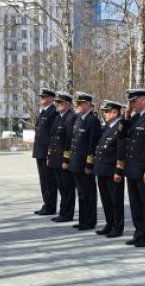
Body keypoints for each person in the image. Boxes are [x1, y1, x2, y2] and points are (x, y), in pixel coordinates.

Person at [115, 89, 145, 248]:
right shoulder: (133, 118)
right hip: (132, 169)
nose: (131, 105)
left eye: (133, 102)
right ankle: (138, 233)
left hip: (143, 171)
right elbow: (121, 135)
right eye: (130, 102)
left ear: (142, 100)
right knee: (135, 204)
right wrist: (125, 116)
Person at [68, 92, 100, 231]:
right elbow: (73, 141)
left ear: (88, 104)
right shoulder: (78, 118)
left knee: (88, 193)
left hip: (84, 164)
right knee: (81, 193)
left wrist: (89, 163)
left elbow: (92, 144)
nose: (78, 106)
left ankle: (89, 221)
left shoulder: (93, 121)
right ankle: (83, 220)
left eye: (81, 104)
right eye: (78, 104)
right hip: (76, 162)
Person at [94, 101, 125, 238]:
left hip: (113, 171)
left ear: (115, 112)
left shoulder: (121, 127)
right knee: (106, 199)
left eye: (107, 111)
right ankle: (109, 223)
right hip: (103, 170)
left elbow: (121, 151)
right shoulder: (107, 127)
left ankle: (117, 227)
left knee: (115, 200)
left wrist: (119, 171)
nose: (105, 114)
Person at [47, 92, 77, 223]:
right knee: (61, 187)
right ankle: (63, 212)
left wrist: (66, 159)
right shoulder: (58, 117)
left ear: (67, 104)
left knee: (67, 188)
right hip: (55, 158)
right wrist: (49, 156)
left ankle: (67, 214)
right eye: (56, 102)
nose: (57, 105)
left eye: (60, 103)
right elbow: (52, 138)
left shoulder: (71, 118)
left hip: (63, 160)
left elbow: (69, 141)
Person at [33, 89, 58, 216]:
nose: (41, 99)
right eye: (41, 97)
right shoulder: (44, 112)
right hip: (39, 151)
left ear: (50, 98)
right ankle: (46, 204)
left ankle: (50, 206)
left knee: (49, 180)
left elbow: (52, 134)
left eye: (43, 97)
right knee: (43, 180)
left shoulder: (53, 112)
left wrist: (50, 152)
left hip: (46, 152)